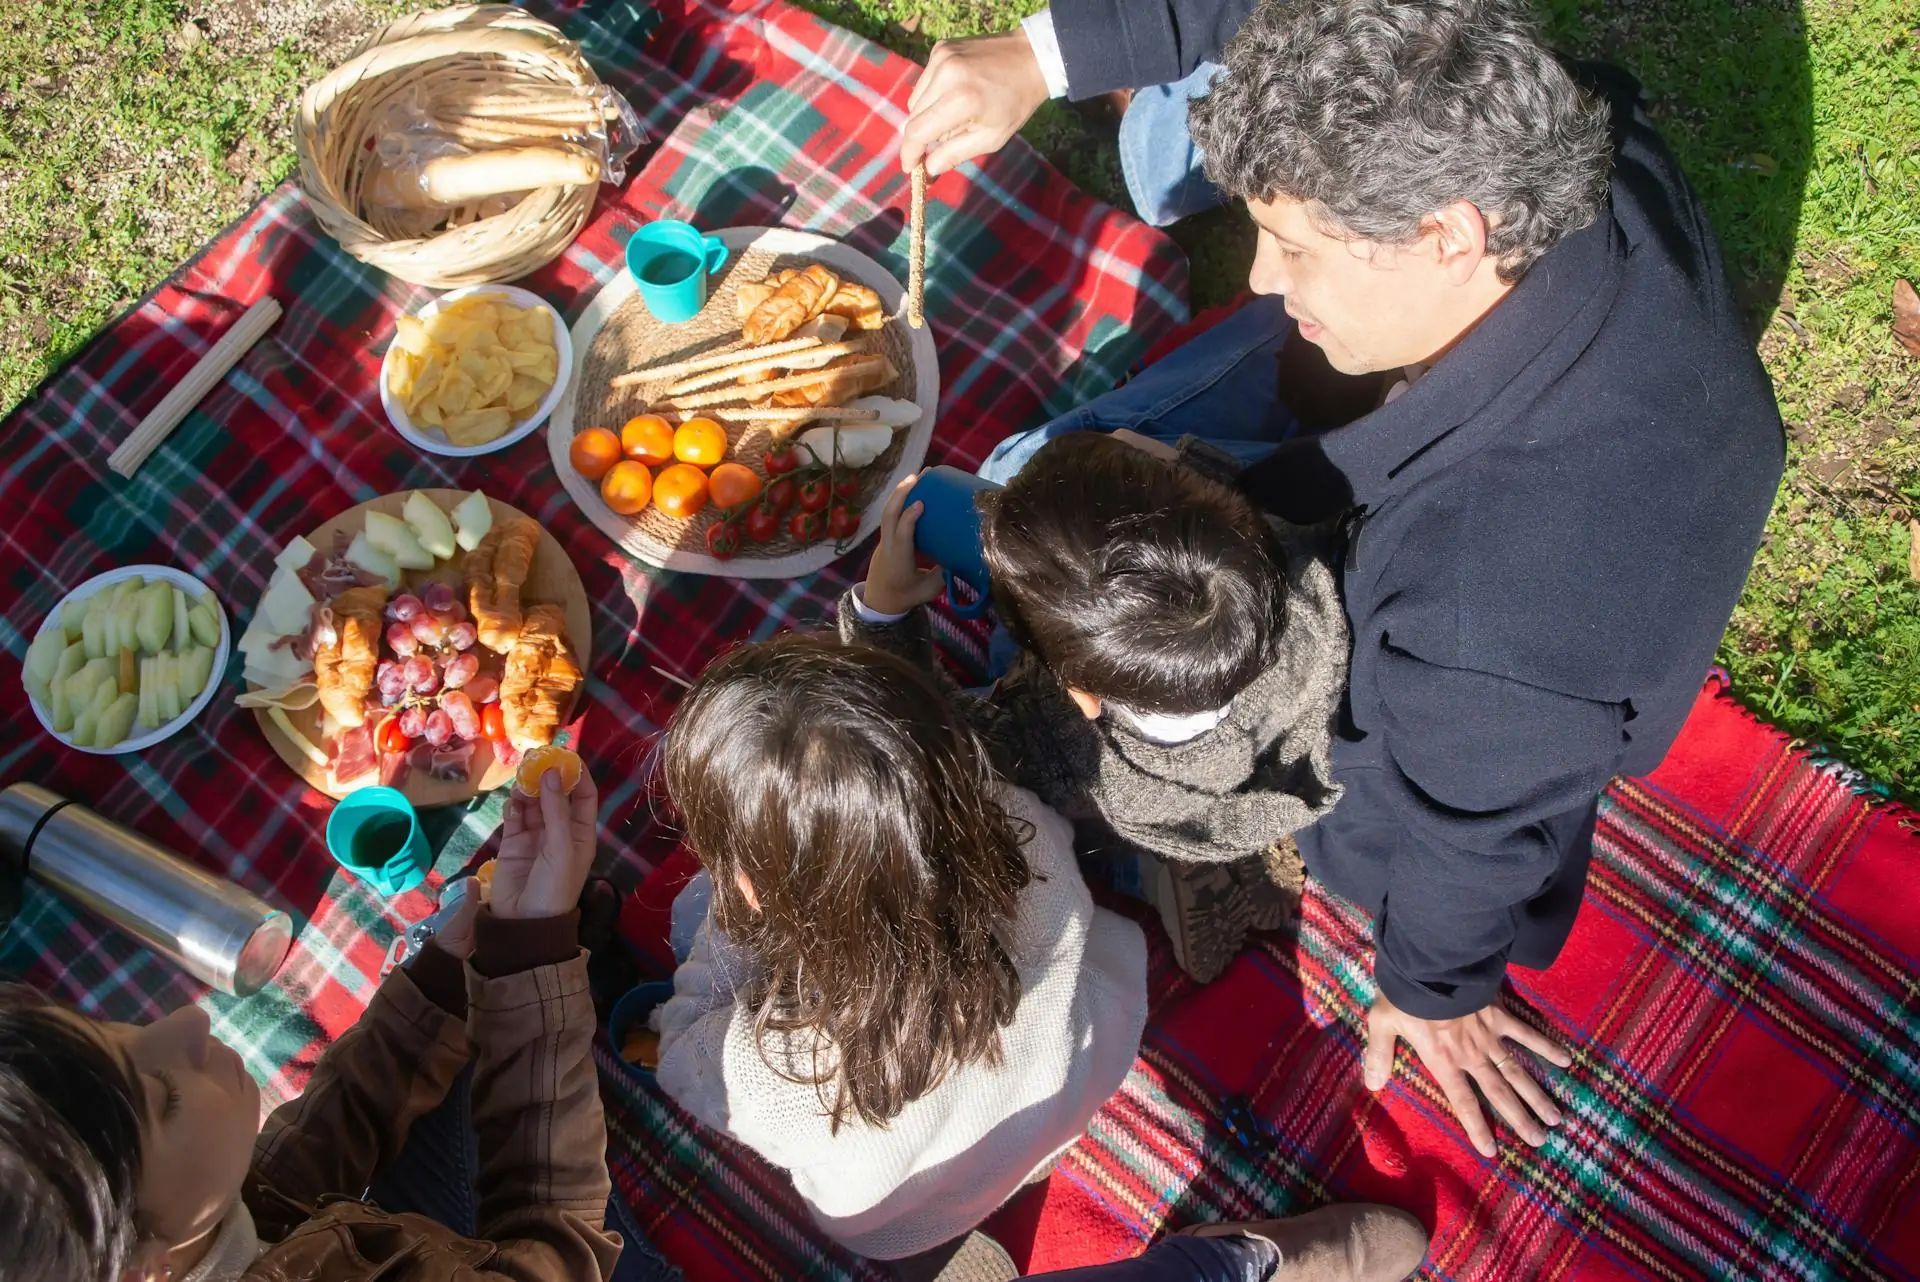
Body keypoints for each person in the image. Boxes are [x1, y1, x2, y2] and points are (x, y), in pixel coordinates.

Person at [904, 0, 1786, 1159]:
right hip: (1466, 448)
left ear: (1452, 237)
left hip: (1452, 657)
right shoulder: (1565, 144)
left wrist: (1433, 989)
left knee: (1023, 484)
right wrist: (1038, 57)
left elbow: (1474, 838)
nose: (1263, 277)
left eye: (1299, 245)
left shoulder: (1497, 621)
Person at [0, 768, 632, 1282]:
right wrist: (532, 956)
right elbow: (554, 1248)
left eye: (114, 1032)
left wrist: (438, 987)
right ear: (145, 1269)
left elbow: (292, 1175)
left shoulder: (197, 1221)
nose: (188, 1023)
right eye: (161, 1096)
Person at [651, 632, 1148, 1271]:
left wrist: (731, 915)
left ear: (752, 887)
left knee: (689, 919)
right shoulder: (1018, 828)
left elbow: (679, 1054)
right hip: (1064, 1095)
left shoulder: (776, 1071)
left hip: (904, 1218)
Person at [841, 438, 1349, 984]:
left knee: (1059, 829)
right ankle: (1212, 856)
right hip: (1255, 778)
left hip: (1141, 808)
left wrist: (882, 617)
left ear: (1078, 694)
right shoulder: (1312, 578)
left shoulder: (1063, 740)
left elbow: (931, 742)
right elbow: (1231, 519)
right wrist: (1181, 465)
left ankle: (1154, 870)